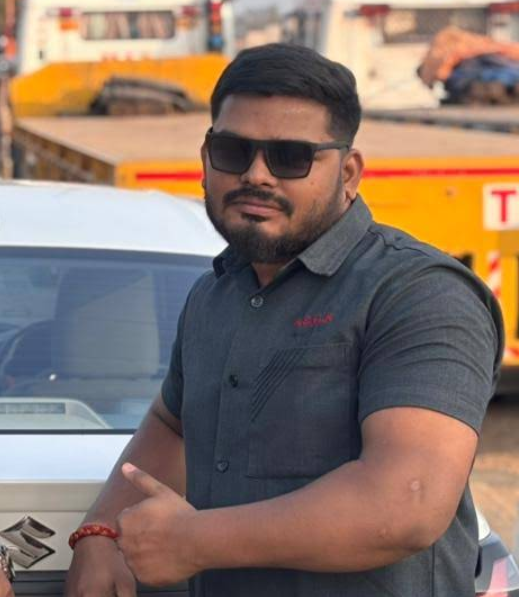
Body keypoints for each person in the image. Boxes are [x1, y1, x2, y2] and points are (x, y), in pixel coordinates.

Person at [65, 43, 503, 597]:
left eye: (290, 157)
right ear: (206, 158)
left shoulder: (416, 293)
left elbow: (406, 501)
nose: (256, 175)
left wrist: (196, 541)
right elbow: (172, 423)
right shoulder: (215, 294)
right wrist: (102, 532)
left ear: (348, 172)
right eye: (233, 150)